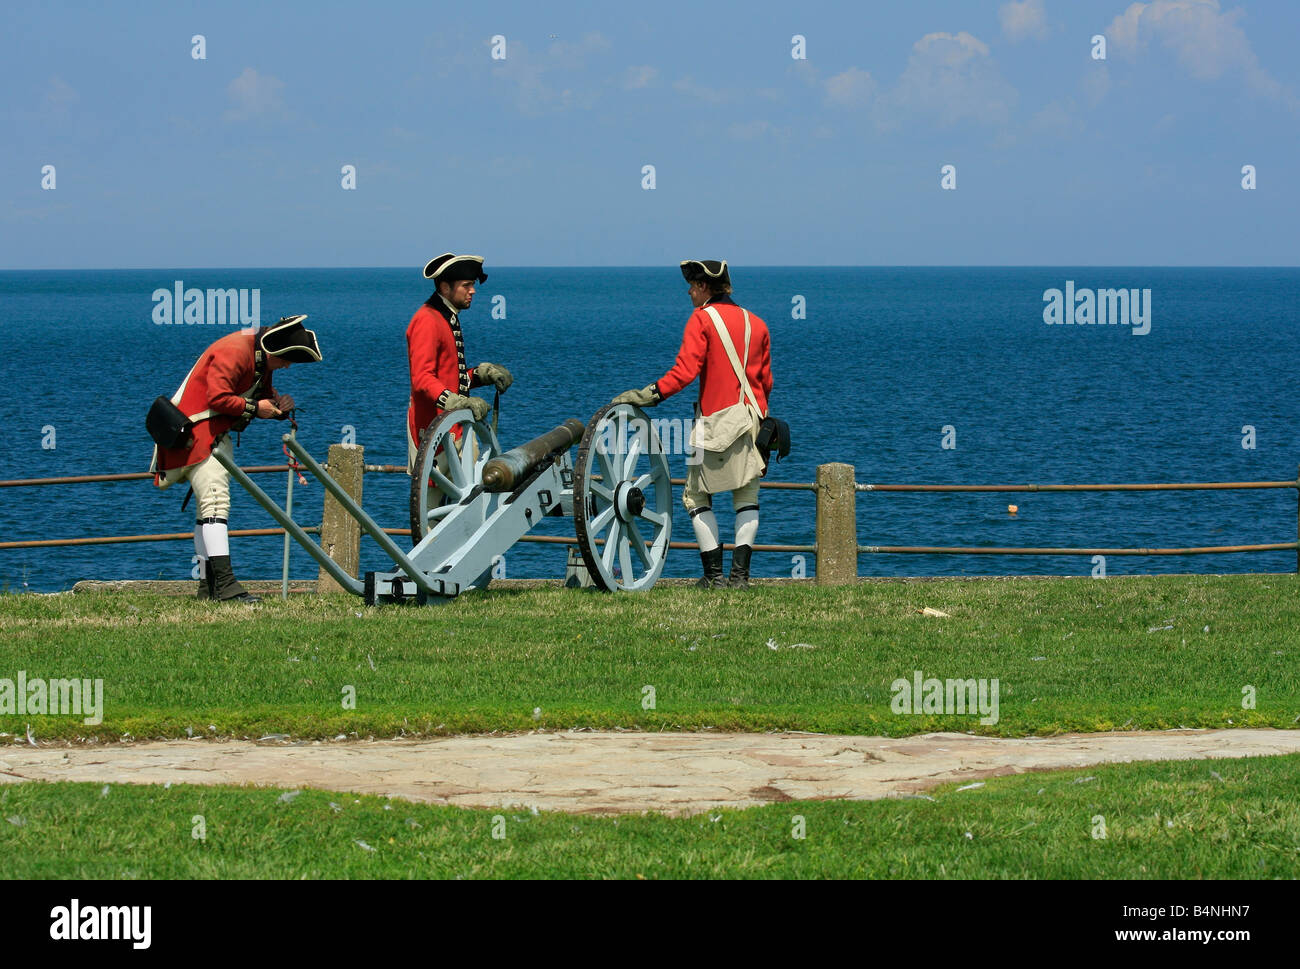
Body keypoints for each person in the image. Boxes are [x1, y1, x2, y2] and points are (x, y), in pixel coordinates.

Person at [612, 260, 772, 589]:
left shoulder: (701, 319)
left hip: (714, 423)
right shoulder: (757, 324)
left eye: (691, 286)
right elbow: (765, 382)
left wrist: (649, 395)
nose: (688, 291)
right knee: (747, 499)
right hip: (753, 421)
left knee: (694, 497)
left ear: (703, 287)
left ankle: (713, 577)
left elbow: (685, 372)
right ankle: (740, 579)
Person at [150, 315, 323, 602]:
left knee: (205, 514)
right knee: (216, 506)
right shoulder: (235, 352)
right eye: (286, 359)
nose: (287, 365)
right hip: (201, 439)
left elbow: (259, 396)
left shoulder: (257, 355)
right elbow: (219, 398)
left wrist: (279, 407)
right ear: (273, 351)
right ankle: (226, 586)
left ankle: (209, 587)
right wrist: (258, 408)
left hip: (205, 439)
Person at [406, 253, 513, 475]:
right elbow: (422, 379)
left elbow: (450, 376)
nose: (472, 291)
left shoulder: (445, 317)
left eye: (472, 285)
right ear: (445, 288)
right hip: (434, 431)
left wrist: (483, 374)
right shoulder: (427, 320)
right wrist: (458, 402)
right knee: (432, 503)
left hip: (451, 429)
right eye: (466, 285)